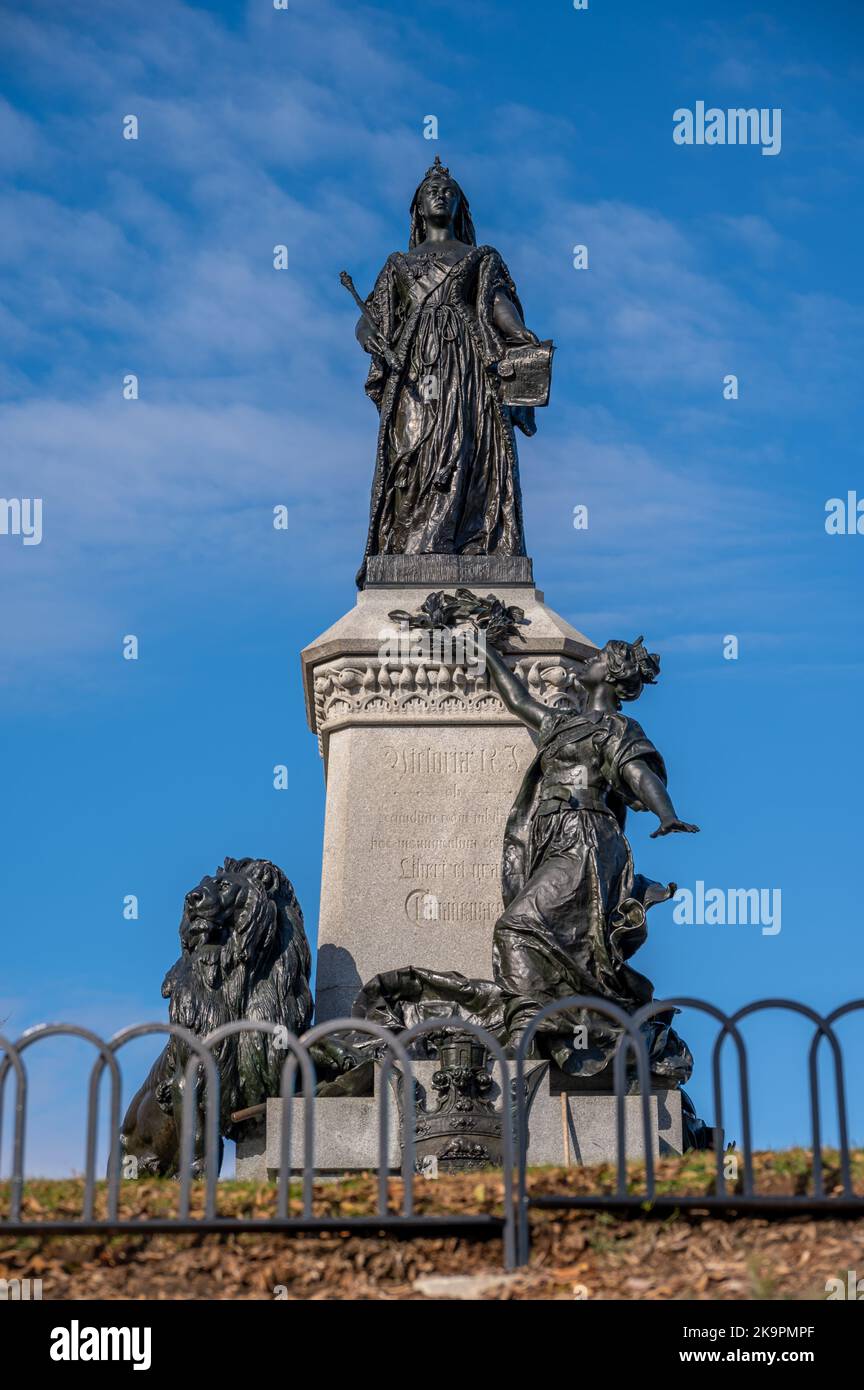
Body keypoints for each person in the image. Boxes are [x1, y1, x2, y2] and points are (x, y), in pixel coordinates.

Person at [355, 157, 543, 581]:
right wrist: (370, 338)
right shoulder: (397, 265)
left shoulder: (480, 257)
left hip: (466, 364)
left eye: (448, 191)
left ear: (460, 205)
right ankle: (411, 543)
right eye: (430, 192)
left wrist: (518, 332)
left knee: (465, 446)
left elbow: (495, 303)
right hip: (416, 367)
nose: (440, 195)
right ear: (418, 208)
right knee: (415, 450)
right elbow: (371, 317)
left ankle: (470, 539)